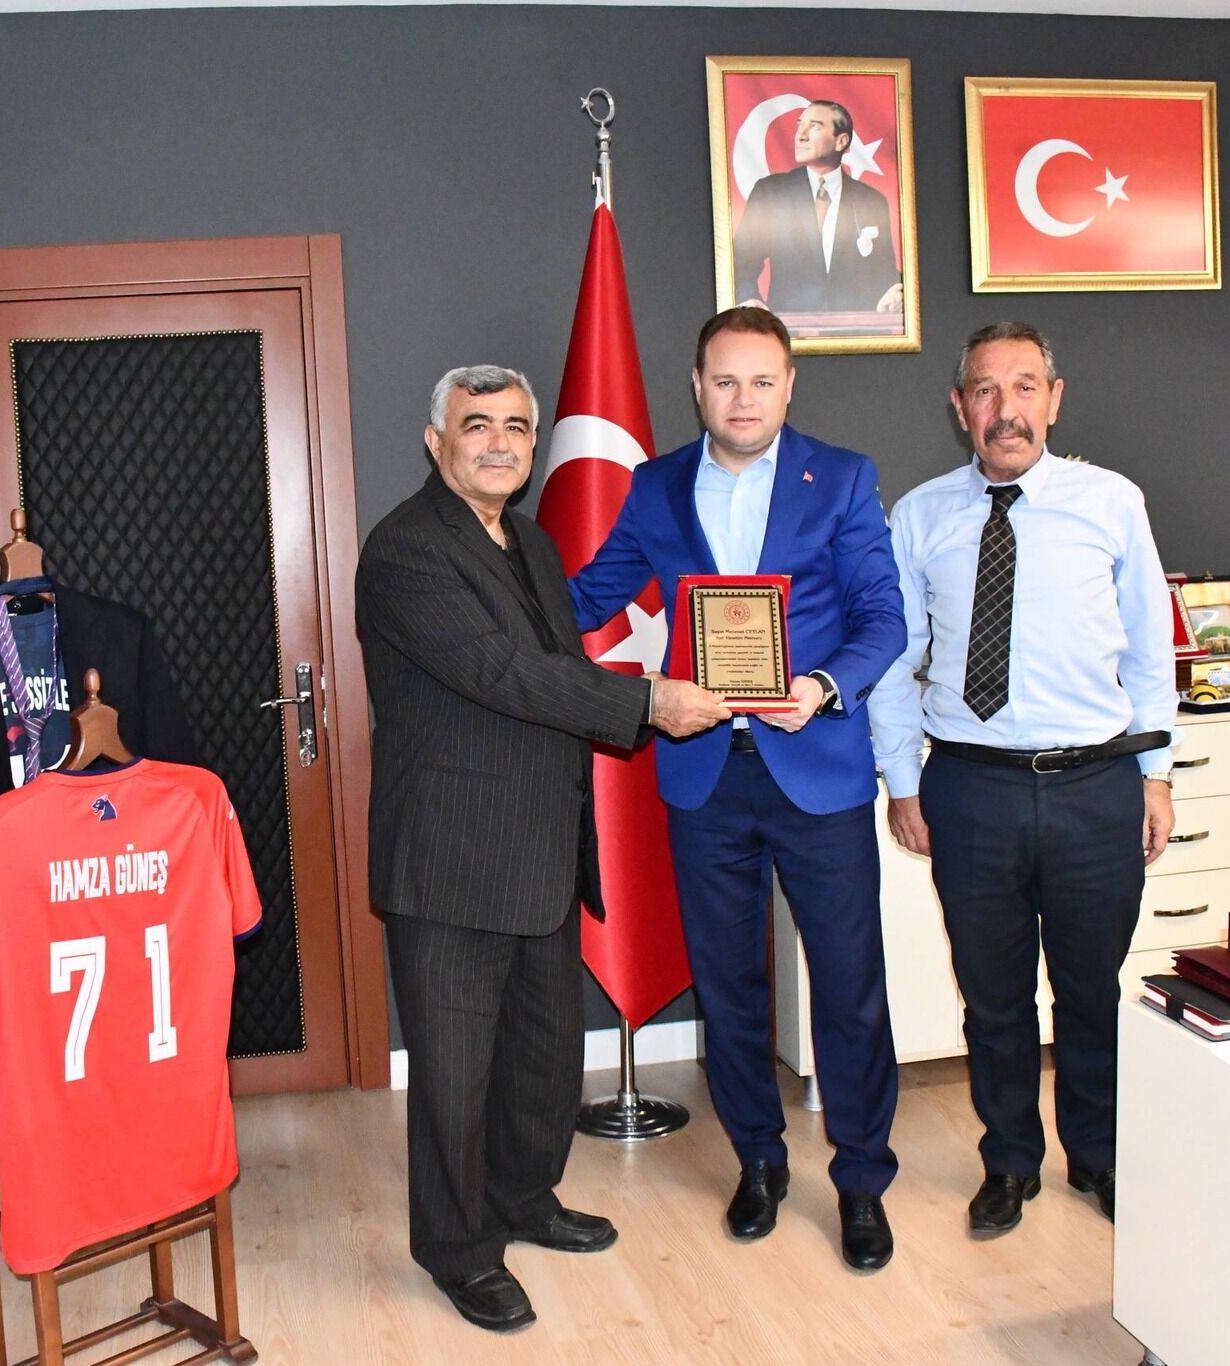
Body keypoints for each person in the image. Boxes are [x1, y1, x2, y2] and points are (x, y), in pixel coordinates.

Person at [356, 365, 728, 1333]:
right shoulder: (405, 548)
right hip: (450, 858)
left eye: (517, 427)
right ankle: (459, 1250)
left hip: (541, 846)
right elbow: (501, 672)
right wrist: (649, 701)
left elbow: (554, 666)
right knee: (453, 1076)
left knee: (541, 1055)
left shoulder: (529, 539)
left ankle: (523, 1199)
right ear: (435, 441)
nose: (500, 443)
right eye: (477, 424)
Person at [570, 307, 906, 1270]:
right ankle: (759, 1161)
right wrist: (488, 586)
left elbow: (883, 616)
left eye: (762, 380)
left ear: (790, 385)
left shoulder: (842, 477)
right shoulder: (656, 486)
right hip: (707, 776)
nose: (744, 399)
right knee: (729, 987)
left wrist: (825, 686)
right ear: (697, 387)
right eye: (725, 381)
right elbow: (589, 596)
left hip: (818, 767)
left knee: (849, 987)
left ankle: (861, 1180)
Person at [867, 321, 1177, 1234]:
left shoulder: (1111, 502)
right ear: (960, 407)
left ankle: (1099, 1155)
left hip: (1096, 787)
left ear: (1055, 398)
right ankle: (1009, 1162)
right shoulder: (920, 516)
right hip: (972, 789)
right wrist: (902, 781)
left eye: (1025, 387)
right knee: (992, 997)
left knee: (1090, 991)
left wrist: (1156, 774)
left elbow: (1150, 648)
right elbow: (894, 661)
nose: (1007, 410)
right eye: (986, 390)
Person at [732, 100, 903, 316]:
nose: (800, 135)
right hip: (787, 328)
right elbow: (741, 262)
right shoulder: (770, 193)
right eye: (799, 125)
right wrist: (750, 299)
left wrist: (896, 293)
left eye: (814, 126)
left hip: (855, 329)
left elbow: (884, 272)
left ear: (841, 141)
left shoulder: (871, 200)